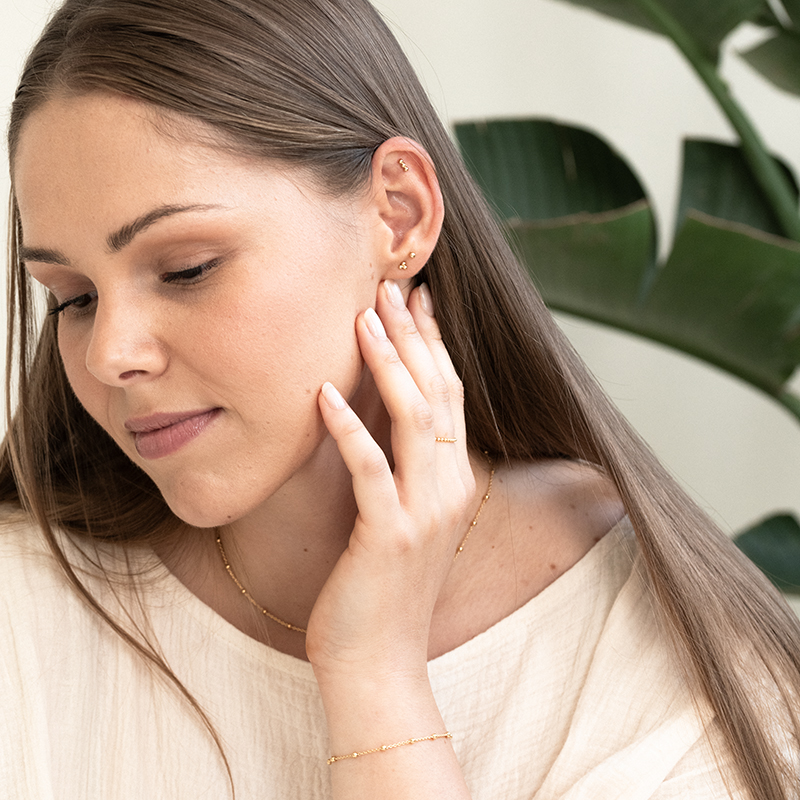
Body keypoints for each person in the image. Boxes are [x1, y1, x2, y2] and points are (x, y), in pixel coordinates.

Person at [0, 0, 798, 797]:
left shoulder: (675, 675)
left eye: (187, 269)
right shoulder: (25, 600)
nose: (110, 355)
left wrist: (375, 680)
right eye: (74, 298)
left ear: (399, 214)